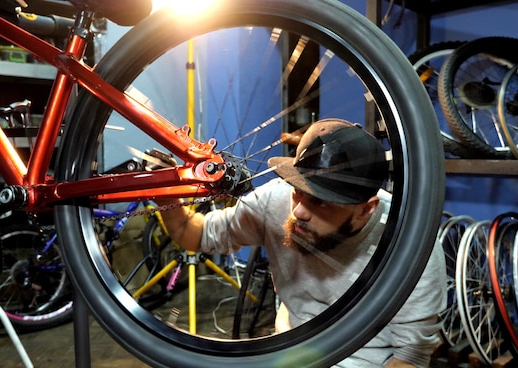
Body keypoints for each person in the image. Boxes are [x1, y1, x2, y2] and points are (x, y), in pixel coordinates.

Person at [159, 118, 446, 368]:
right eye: (298, 192)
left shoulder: (410, 245)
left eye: (320, 203)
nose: (298, 212)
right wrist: (166, 194)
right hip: (289, 352)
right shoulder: (277, 199)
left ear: (365, 209)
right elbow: (195, 234)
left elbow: (410, 358)